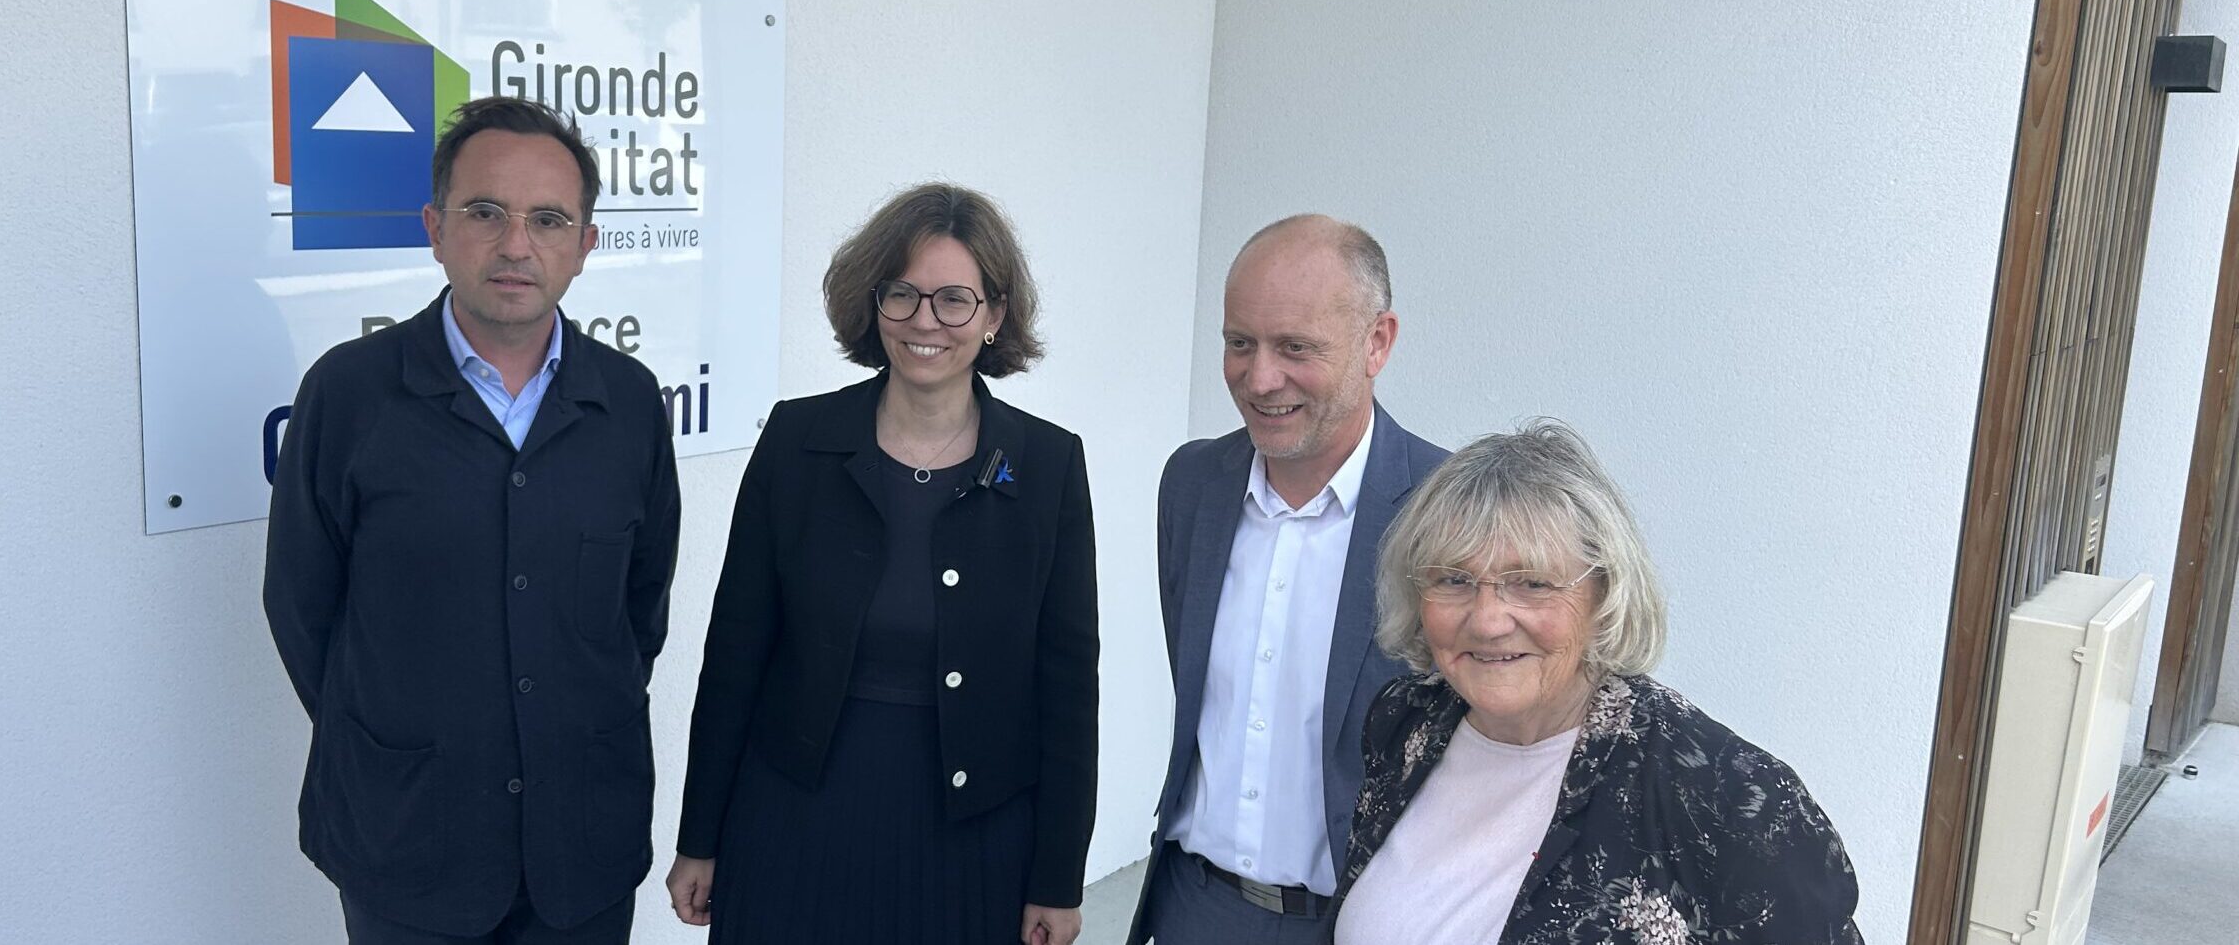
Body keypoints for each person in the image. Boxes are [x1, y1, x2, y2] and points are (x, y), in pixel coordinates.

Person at [264, 96, 681, 945]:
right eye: (486, 212)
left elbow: (639, 612)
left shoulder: (630, 402)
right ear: (435, 227)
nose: (516, 244)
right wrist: (404, 731)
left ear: (585, 244)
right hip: (408, 842)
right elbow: (303, 608)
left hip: (581, 845)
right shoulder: (349, 394)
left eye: (548, 219)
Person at [666, 183, 1098, 945]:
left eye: (954, 299)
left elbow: (1068, 689)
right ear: (874, 304)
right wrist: (698, 835)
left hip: (972, 837)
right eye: (902, 294)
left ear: (995, 315)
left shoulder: (1047, 464)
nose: (924, 320)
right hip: (793, 819)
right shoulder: (797, 441)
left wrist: (1057, 877)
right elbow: (734, 655)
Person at [1334, 421, 1862, 944]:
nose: (1488, 620)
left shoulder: (1727, 797)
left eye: (1533, 583)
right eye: (1455, 579)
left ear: (1605, 594)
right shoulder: (1407, 720)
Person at [1128, 215, 1447, 944]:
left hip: (1358, 922)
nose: (1260, 378)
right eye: (1239, 343)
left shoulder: (1448, 506)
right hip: (1191, 906)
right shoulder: (1192, 484)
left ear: (1377, 342)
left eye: (1295, 347)